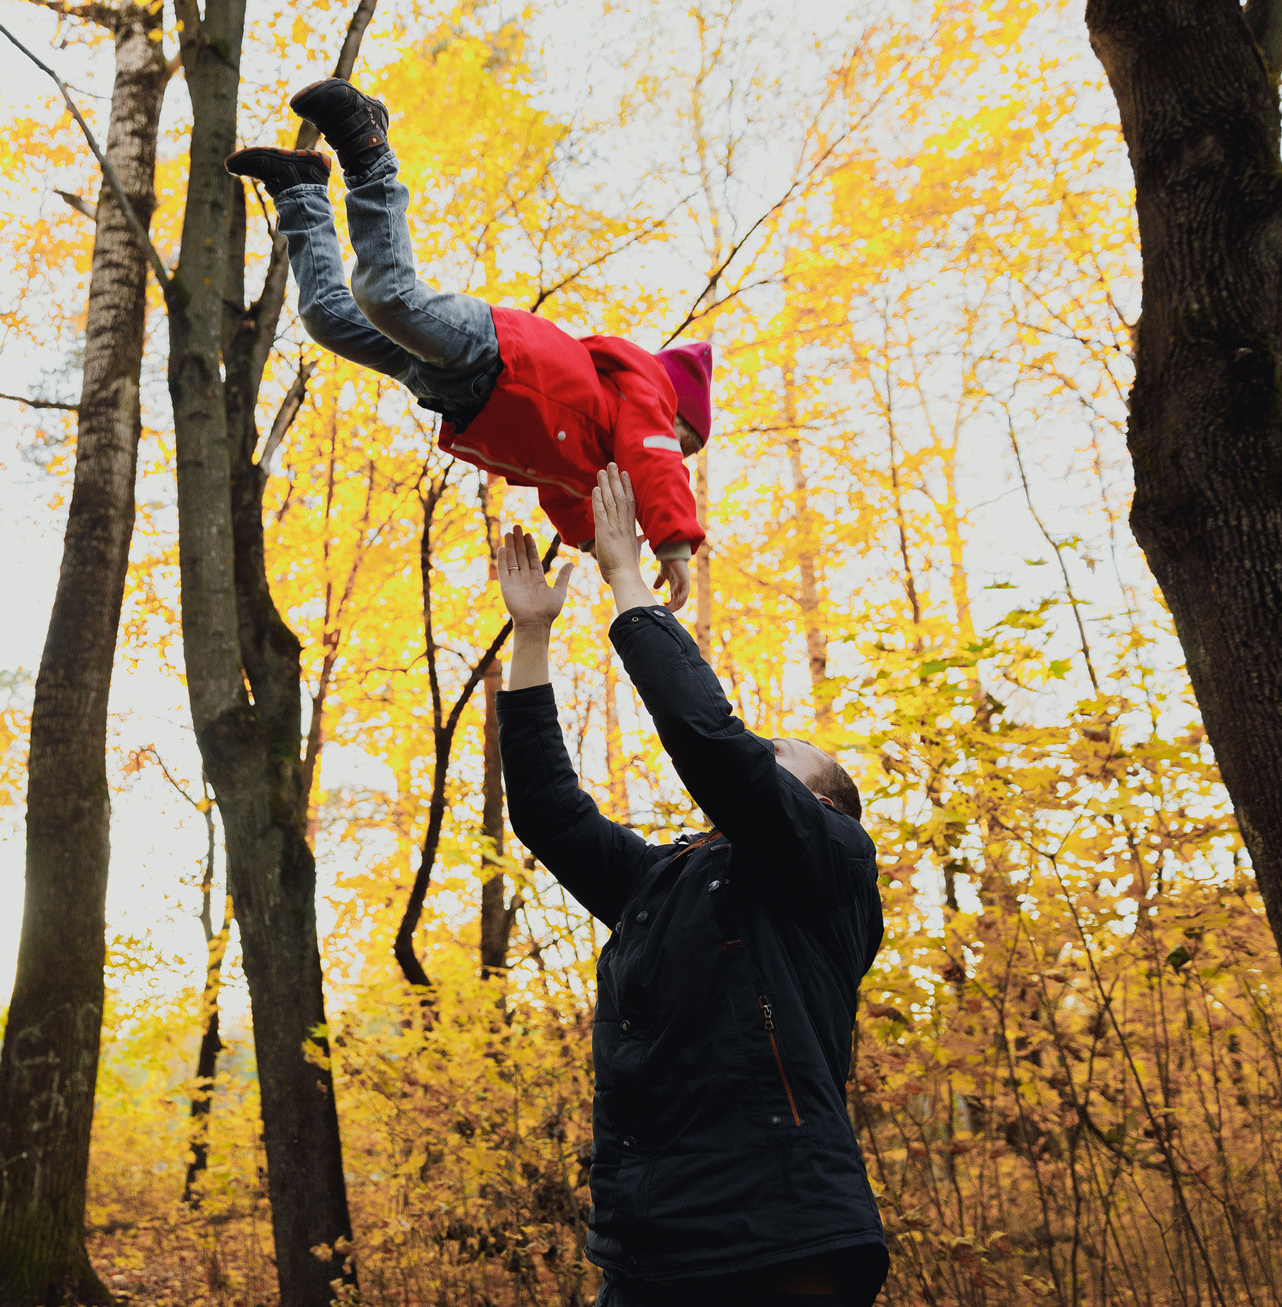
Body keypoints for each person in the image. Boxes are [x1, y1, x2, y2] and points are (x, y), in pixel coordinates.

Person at [492, 464, 890, 1306]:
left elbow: (713, 743)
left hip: (783, 1241)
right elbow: (547, 815)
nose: (760, 752)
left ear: (817, 802)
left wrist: (628, 579)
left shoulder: (829, 862)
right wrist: (530, 637)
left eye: (779, 755)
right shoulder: (663, 881)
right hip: (646, 1255)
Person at [227, 78, 711, 610]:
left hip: (450, 391)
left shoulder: (596, 459)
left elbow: (563, 493)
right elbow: (655, 455)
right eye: (686, 442)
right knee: (388, 296)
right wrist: (674, 541)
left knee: (328, 318)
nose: (680, 454)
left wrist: (596, 543)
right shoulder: (651, 395)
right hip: (497, 355)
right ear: (677, 416)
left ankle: (299, 190)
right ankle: (367, 148)